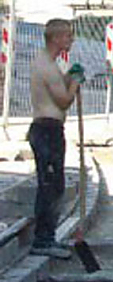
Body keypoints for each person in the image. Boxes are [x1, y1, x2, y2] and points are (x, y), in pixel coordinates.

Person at [28, 18, 83, 259]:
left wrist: (70, 76)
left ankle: (48, 237)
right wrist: (75, 84)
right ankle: (43, 240)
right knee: (49, 186)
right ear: (57, 38)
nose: (71, 40)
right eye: (68, 36)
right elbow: (63, 100)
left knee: (55, 185)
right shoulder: (47, 67)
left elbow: (60, 87)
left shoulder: (50, 63)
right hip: (46, 130)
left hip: (50, 129)